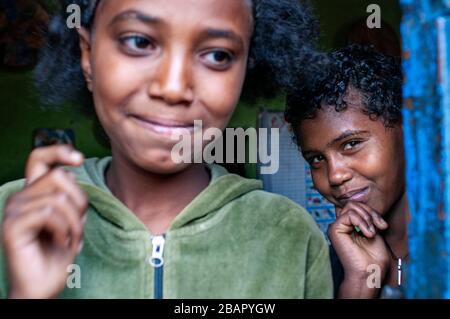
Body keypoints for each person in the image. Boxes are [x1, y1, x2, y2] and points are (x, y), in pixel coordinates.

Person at [0, 0, 332, 298]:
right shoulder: (10, 214)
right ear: (88, 57)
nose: (173, 88)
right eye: (139, 42)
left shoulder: (289, 235)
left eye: (218, 55)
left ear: (246, 70)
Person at [285, 44, 408, 298]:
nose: (335, 176)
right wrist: (361, 281)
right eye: (317, 158)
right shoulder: (339, 261)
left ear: (407, 131)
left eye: (351, 144)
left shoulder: (441, 243)